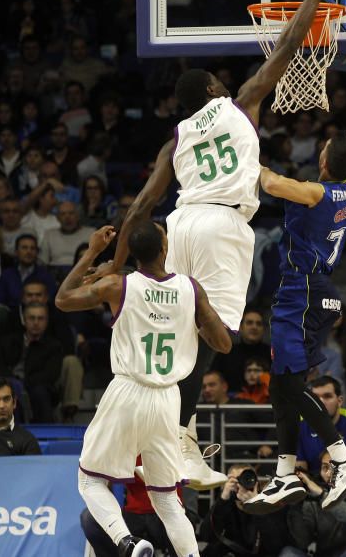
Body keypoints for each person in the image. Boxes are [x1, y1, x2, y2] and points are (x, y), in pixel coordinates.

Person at [94, 0, 346, 491]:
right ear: (212, 92)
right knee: (219, 334)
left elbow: (139, 209)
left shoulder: (175, 141)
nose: (222, 82)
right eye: (216, 80)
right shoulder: (240, 104)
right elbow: (285, 48)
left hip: (179, 223)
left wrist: (114, 270)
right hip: (223, 228)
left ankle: (175, 434)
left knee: (183, 330)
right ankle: (182, 438)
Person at [243, 30, 346, 514]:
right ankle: (286, 473)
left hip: (304, 293)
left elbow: (267, 179)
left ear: (324, 162)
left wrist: (235, 134)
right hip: (317, 293)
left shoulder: (315, 192)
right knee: (281, 384)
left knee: (288, 386)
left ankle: (342, 457)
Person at [55, 222, 232, 557]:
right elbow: (223, 344)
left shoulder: (117, 285)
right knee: (166, 498)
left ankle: (128, 544)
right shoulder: (190, 289)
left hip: (128, 390)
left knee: (90, 481)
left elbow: (63, 299)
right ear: (165, 249)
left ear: (132, 254)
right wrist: (199, 320)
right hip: (168, 398)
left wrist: (93, 250)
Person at [295, 376, 346, 470]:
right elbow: (300, 470)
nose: (320, 402)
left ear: (339, 401)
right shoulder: (299, 424)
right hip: (311, 482)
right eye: (315, 398)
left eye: (327, 396)